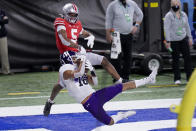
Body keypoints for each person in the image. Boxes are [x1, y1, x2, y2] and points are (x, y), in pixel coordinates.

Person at [43, 51, 158, 125]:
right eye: (73, 57)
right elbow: (74, 75)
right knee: (110, 122)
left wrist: (92, 71)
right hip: (89, 104)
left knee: (122, 86)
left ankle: (149, 79)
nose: (75, 58)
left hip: (96, 95)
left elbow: (94, 82)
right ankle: (121, 115)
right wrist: (82, 61)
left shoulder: (74, 69)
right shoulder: (64, 70)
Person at [54, 3, 123, 83]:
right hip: (67, 54)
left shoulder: (77, 23)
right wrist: (78, 47)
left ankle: (120, 81)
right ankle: (79, 82)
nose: (73, 17)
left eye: (74, 15)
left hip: (78, 53)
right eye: (70, 14)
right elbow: (64, 41)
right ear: (65, 13)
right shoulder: (60, 21)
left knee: (103, 60)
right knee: (77, 76)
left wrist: (91, 36)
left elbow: (83, 32)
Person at [105, 0, 143, 82]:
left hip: (129, 34)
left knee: (128, 57)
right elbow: (108, 20)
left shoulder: (132, 4)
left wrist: (136, 26)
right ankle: (117, 78)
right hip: (116, 35)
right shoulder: (113, 5)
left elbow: (140, 15)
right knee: (116, 57)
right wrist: (108, 34)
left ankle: (125, 77)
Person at [164, 0, 193, 84]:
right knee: (175, 59)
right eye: (174, 4)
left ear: (180, 5)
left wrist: (190, 38)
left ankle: (189, 78)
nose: (176, 5)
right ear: (171, 5)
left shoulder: (184, 14)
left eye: (177, 4)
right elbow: (166, 29)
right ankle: (177, 79)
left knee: (187, 59)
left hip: (183, 39)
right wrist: (168, 41)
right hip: (173, 41)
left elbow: (187, 26)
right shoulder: (168, 16)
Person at [0, 9, 10, 75]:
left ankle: (6, 71)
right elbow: (3, 20)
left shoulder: (2, 11)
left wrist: (2, 20)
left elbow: (6, 21)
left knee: (4, 53)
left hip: (2, 35)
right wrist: (2, 20)